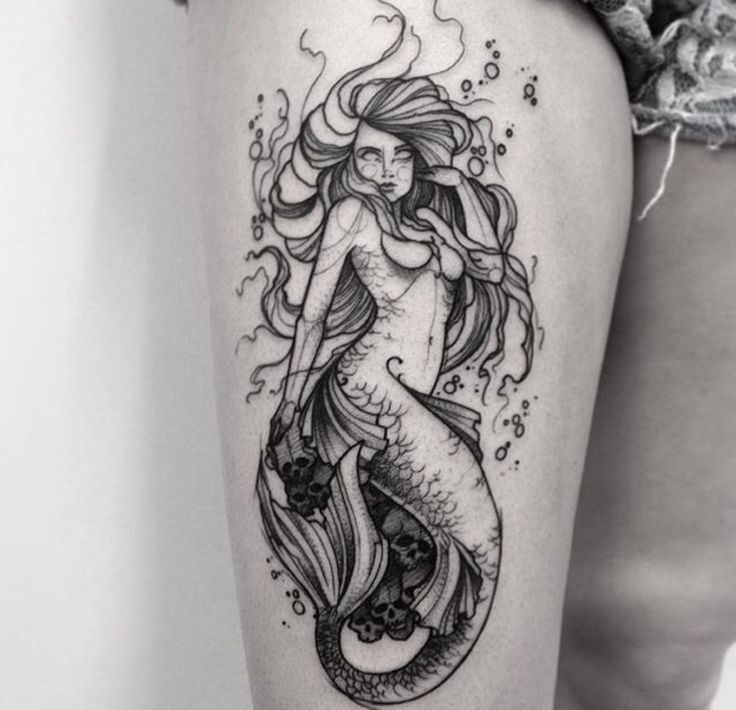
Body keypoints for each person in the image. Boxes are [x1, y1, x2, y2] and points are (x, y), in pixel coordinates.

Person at [180, 0, 736, 707]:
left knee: (649, 642)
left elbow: (485, 271)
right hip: (373, 391)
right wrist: (291, 402)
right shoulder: (352, 216)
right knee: (480, 561)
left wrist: (455, 210)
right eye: (368, 156)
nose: (383, 170)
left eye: (397, 156)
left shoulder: (433, 217)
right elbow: (315, 311)